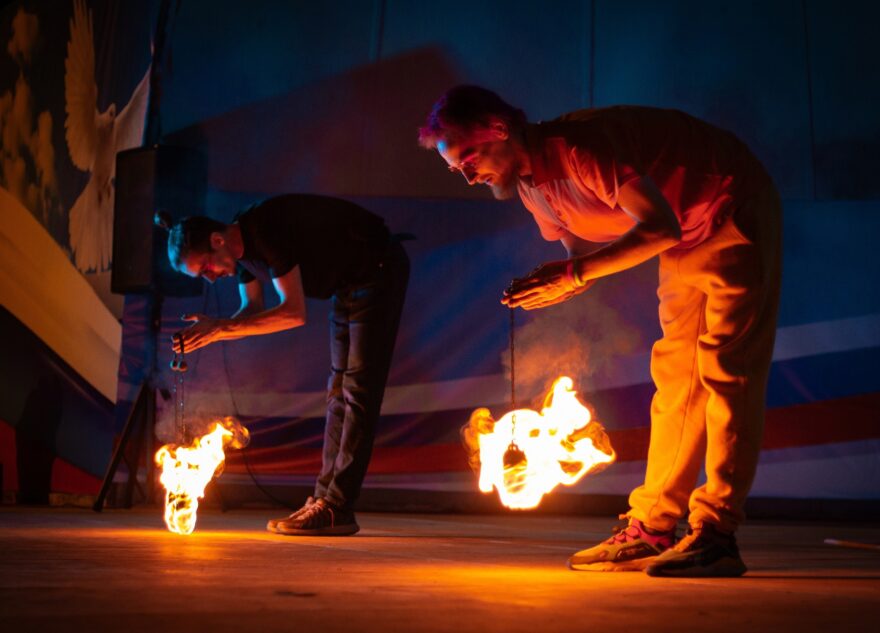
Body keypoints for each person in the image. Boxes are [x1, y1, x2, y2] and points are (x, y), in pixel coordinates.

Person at [419, 86, 782, 577]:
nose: (466, 175)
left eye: (468, 157)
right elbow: (577, 253)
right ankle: (653, 526)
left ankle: (716, 532)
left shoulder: (578, 148)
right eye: (455, 168)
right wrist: (558, 283)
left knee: (724, 368)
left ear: (499, 130)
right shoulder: (531, 187)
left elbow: (659, 229)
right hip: (686, 236)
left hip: (728, 207)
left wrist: (575, 276)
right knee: (677, 377)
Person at [156, 194, 410, 536]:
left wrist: (220, 329)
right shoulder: (241, 252)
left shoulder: (263, 229)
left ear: (217, 241)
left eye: (206, 268)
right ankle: (324, 501)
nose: (211, 278)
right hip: (348, 286)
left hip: (378, 270)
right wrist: (211, 329)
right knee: (338, 393)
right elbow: (252, 310)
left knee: (358, 392)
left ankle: (337, 507)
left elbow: (293, 313)